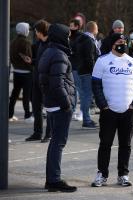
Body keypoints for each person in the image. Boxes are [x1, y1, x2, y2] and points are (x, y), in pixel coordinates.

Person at [91, 33, 133, 187]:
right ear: (113, 44)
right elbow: (95, 85)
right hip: (109, 112)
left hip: (128, 111)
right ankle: (102, 174)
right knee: (105, 143)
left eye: (124, 42)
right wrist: (103, 105)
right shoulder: (102, 61)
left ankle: (123, 175)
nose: (123, 44)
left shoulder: (132, 62)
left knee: (125, 144)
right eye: (120, 42)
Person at [39, 23, 77, 192]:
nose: (69, 38)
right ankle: (54, 180)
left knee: (55, 142)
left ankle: (51, 179)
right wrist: (67, 104)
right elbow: (57, 83)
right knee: (58, 143)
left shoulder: (49, 51)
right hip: (59, 105)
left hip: (52, 104)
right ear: (61, 36)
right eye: (67, 36)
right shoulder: (59, 54)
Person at [25, 19, 52, 142]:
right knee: (36, 106)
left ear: (40, 31)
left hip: (46, 80)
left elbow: (50, 63)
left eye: (36, 31)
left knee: (50, 108)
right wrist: (32, 61)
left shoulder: (51, 44)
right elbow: (41, 60)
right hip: (36, 78)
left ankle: (49, 133)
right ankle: (37, 132)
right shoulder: (40, 43)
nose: (35, 33)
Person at [77, 21, 100, 129]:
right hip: (87, 72)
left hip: (80, 70)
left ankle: (86, 118)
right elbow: (90, 58)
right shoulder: (89, 41)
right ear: (93, 29)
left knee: (84, 96)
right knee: (87, 96)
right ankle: (86, 120)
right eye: (97, 28)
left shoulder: (80, 38)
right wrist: (94, 71)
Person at [9, 22, 33, 122]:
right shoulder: (26, 42)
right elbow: (28, 58)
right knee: (26, 95)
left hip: (16, 71)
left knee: (15, 93)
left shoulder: (13, 42)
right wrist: (32, 68)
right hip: (26, 72)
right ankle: (27, 115)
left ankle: (10, 114)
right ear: (25, 30)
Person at [69, 19, 84, 121]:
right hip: (71, 67)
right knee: (73, 90)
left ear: (77, 27)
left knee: (79, 90)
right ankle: (73, 110)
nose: (70, 28)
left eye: (72, 26)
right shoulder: (70, 37)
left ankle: (82, 112)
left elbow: (78, 52)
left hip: (77, 67)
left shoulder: (80, 38)